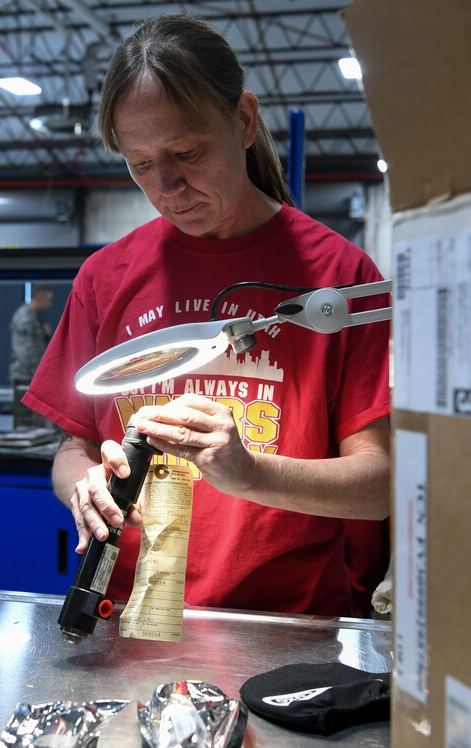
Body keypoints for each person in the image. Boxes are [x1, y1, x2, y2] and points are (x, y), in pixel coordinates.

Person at [23, 13, 391, 617]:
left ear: (243, 121)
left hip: (285, 626)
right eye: (140, 164)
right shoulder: (106, 278)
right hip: (136, 617)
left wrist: (250, 474)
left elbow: (380, 487)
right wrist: (83, 486)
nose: (167, 186)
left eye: (186, 152)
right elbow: (73, 447)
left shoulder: (337, 279)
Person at [9, 283, 53, 384]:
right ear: (39, 298)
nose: (49, 305)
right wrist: (39, 373)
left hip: (32, 376)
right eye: (48, 300)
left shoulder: (34, 317)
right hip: (25, 377)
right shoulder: (25, 318)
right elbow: (24, 352)